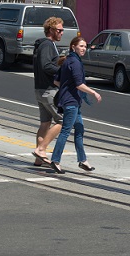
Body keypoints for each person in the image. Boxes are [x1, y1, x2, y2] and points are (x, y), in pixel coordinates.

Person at [49, 36, 102, 174]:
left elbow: (56, 81)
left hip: (72, 101)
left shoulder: (68, 60)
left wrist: (66, 87)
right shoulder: (76, 63)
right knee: (66, 131)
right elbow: (79, 84)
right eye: (81, 46)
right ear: (73, 47)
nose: (84, 49)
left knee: (79, 130)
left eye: (85, 46)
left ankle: (83, 160)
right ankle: (55, 160)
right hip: (71, 102)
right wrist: (93, 92)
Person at [31, 17, 64, 167]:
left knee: (45, 123)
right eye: (59, 30)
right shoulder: (47, 45)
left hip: (40, 89)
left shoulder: (43, 45)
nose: (62, 33)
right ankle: (41, 149)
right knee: (62, 121)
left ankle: (39, 158)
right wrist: (62, 71)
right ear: (51, 30)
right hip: (49, 90)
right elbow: (46, 66)